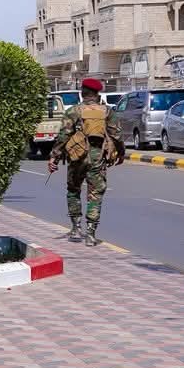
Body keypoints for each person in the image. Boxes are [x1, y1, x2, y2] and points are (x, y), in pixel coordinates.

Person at [47, 77, 123, 245]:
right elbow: (117, 135)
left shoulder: (74, 111)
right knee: (95, 194)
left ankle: (75, 228)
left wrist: (54, 156)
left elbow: (63, 136)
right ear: (97, 93)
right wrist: (121, 154)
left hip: (77, 157)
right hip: (97, 158)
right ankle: (90, 234)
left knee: (73, 190)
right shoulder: (107, 112)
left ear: (83, 93)